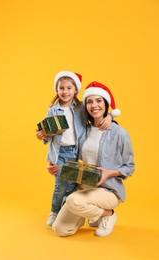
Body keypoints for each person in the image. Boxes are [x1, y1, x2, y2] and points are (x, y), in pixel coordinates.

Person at [50, 81, 135, 237]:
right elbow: (72, 156)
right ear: (85, 106)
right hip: (83, 187)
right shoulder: (84, 131)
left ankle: (108, 214)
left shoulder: (119, 133)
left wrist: (109, 173)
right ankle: (90, 215)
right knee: (60, 229)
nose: (94, 105)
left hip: (107, 190)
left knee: (73, 201)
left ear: (106, 103)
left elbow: (129, 167)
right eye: (89, 101)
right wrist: (57, 166)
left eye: (99, 100)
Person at [36, 72, 113, 227]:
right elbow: (48, 135)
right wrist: (42, 136)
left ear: (75, 90)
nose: (65, 91)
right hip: (60, 153)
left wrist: (110, 116)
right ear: (56, 90)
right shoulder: (53, 110)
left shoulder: (80, 109)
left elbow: (97, 114)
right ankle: (55, 211)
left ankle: (75, 212)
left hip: (77, 152)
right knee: (61, 185)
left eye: (69, 88)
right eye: (61, 88)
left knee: (73, 185)